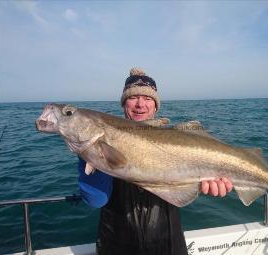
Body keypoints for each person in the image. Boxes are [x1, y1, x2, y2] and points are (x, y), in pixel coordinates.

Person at [78, 67, 233, 255]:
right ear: (124, 103)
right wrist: (92, 154)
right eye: (133, 97)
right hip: (116, 245)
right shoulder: (104, 139)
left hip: (168, 244)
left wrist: (201, 183)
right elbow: (96, 199)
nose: (140, 104)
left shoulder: (173, 139)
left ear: (156, 106)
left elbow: (183, 192)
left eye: (148, 98)